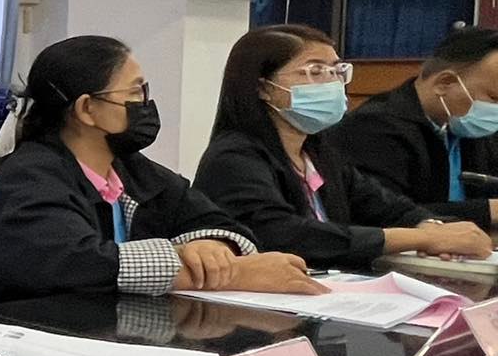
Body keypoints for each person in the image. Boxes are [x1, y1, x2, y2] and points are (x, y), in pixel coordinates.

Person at [0, 35, 323, 306]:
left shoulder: (130, 169)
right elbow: (75, 263)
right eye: (135, 94)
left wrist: (209, 245)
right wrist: (220, 275)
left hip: (109, 329)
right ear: (87, 109)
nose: (145, 105)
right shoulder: (32, 176)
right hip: (22, 336)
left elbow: (223, 222)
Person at [195, 25, 491, 270]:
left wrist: (434, 228)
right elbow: (282, 233)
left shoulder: (319, 153)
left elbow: (386, 206)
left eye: (337, 71)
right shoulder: (234, 156)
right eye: (315, 71)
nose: (332, 82)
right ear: (263, 87)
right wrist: (420, 239)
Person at [329, 26, 498, 226]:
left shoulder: (473, 129)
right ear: (444, 83)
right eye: (494, 98)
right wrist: (487, 212)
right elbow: (381, 214)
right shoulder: (374, 128)